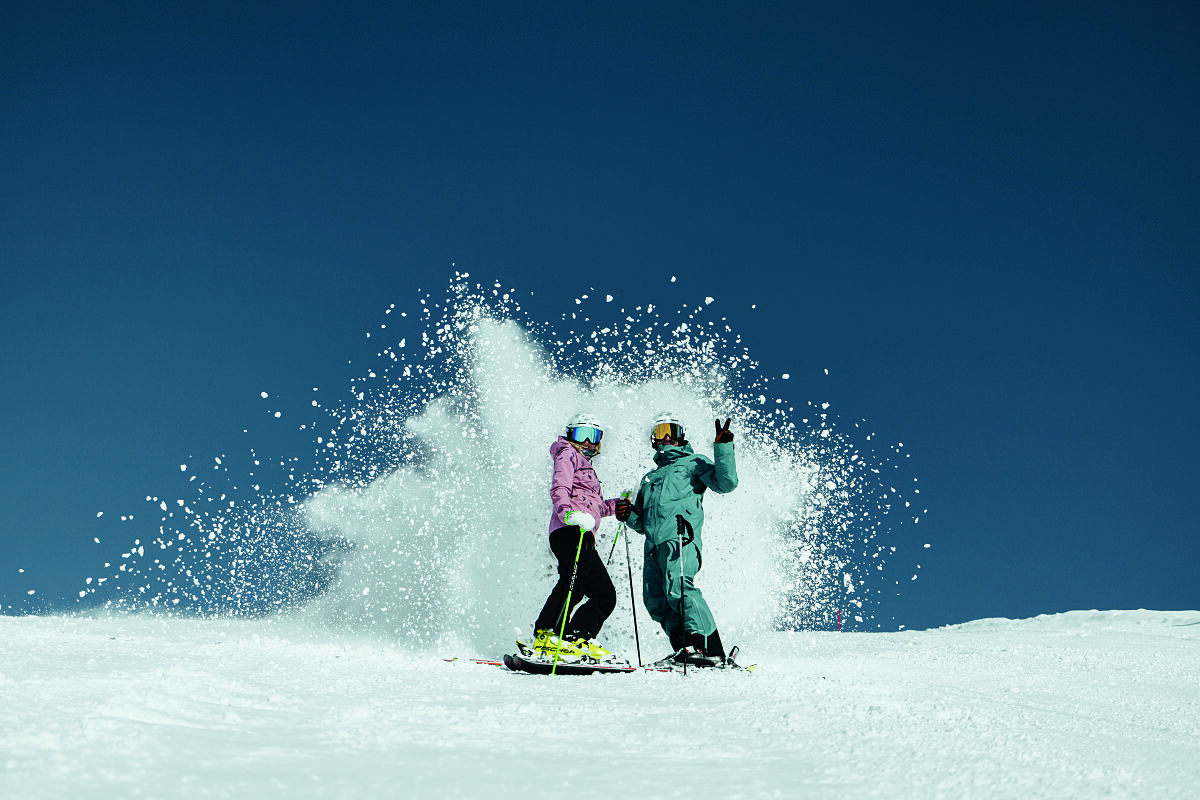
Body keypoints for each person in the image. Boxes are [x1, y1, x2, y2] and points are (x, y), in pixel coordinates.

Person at [616, 412, 737, 665]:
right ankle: (685, 649)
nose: (668, 437)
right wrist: (628, 515)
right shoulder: (648, 479)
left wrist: (723, 447)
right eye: (661, 432)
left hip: (680, 537)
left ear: (682, 436)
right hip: (653, 548)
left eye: (673, 430)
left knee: (680, 588)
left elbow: (726, 483)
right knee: (656, 601)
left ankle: (709, 648)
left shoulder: (693, 463)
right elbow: (642, 523)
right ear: (654, 440)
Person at [531, 413, 632, 661]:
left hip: (585, 533)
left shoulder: (589, 471)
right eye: (581, 434)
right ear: (569, 435)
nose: (587, 442)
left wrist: (616, 505)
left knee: (604, 594)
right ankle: (547, 635)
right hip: (570, 530)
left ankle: (576, 637)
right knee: (572, 584)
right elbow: (560, 488)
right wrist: (569, 515)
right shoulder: (567, 454)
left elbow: (594, 507)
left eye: (594, 436)